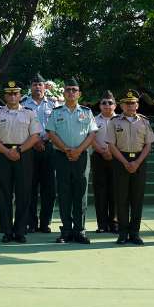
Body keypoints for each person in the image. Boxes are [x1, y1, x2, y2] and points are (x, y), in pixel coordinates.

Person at [0, 80, 42, 243]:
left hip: (24, 153)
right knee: (4, 193)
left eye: (15, 93)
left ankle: (20, 230)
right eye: (9, 93)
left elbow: (35, 136)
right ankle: (7, 231)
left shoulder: (29, 113)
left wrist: (18, 150)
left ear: (20, 95)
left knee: (24, 193)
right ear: (5, 96)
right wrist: (7, 151)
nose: (12, 96)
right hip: (3, 153)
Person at [45, 78, 98, 244]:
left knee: (80, 194)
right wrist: (67, 149)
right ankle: (66, 230)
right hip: (62, 156)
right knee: (64, 193)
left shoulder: (87, 112)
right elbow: (51, 133)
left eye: (74, 90)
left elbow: (92, 134)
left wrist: (78, 150)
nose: (71, 92)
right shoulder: (56, 112)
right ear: (63, 93)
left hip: (81, 156)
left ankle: (80, 231)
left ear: (79, 94)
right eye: (68, 90)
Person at [105, 90, 154, 245]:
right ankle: (122, 233)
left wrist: (137, 162)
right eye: (127, 103)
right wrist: (126, 162)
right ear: (121, 105)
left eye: (133, 103)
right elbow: (111, 145)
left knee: (137, 199)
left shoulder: (144, 121)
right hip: (121, 160)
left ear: (137, 105)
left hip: (139, 160)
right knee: (121, 198)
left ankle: (135, 233)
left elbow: (148, 145)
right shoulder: (114, 122)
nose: (130, 106)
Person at [20, 73, 56, 234]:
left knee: (48, 188)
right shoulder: (23, 104)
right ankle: (31, 222)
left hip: (49, 148)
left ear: (45, 87)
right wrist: (34, 142)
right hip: (29, 148)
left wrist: (44, 139)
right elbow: (21, 126)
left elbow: (55, 125)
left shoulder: (54, 104)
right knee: (30, 187)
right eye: (34, 84)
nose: (37, 87)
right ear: (30, 87)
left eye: (40, 84)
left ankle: (45, 223)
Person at [91, 91, 118, 234]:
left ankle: (114, 223)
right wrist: (102, 151)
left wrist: (111, 151)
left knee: (115, 190)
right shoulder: (94, 120)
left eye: (110, 102)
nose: (107, 105)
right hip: (98, 157)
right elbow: (91, 138)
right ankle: (102, 224)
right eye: (104, 103)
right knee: (100, 191)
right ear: (100, 106)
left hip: (116, 157)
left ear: (115, 105)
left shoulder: (120, 120)